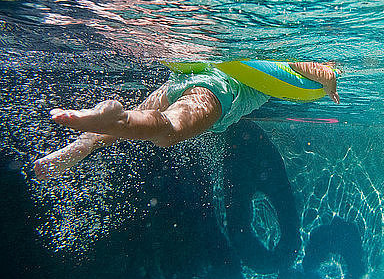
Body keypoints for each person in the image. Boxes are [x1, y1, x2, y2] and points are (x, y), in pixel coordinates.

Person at [34, 61, 340, 180]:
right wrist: (328, 80)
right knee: (168, 131)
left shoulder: (262, 59)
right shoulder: (278, 65)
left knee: (116, 130)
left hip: (181, 79)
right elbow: (305, 68)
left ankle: (72, 152)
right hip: (217, 91)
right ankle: (118, 116)